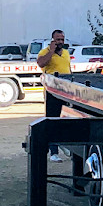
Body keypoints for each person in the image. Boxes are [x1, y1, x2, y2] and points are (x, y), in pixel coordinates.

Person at [36, 29, 72, 161]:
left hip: (66, 91)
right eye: (57, 40)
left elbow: (68, 70)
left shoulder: (66, 53)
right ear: (52, 40)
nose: (60, 42)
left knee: (65, 120)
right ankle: (53, 152)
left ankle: (63, 143)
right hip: (53, 92)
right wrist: (51, 51)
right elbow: (40, 63)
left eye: (62, 39)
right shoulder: (45, 52)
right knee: (52, 119)